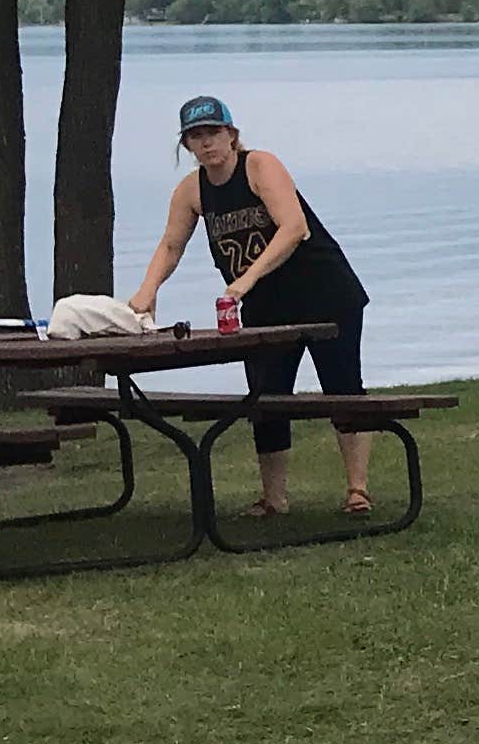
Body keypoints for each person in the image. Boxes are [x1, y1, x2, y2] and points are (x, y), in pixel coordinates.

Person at [127, 94, 376, 518]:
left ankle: (357, 490)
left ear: (232, 135)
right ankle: (274, 498)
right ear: (186, 145)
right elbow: (171, 244)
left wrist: (244, 280)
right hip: (262, 305)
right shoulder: (192, 191)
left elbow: (294, 227)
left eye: (214, 133)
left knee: (343, 389)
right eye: (196, 136)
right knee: (266, 397)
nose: (207, 144)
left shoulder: (260, 166)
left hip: (325, 292)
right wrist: (147, 291)